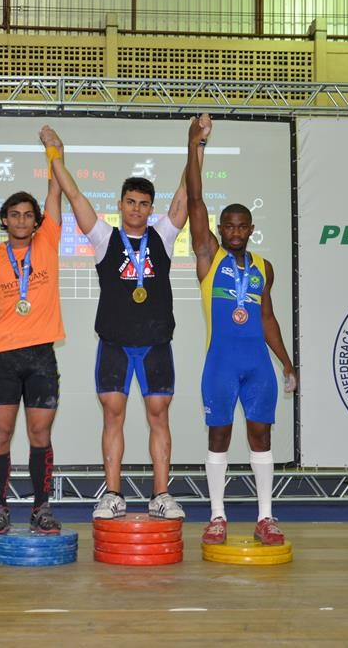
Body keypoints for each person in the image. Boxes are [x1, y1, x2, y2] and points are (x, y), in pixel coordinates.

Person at [40, 119, 208, 521]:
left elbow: (189, 191)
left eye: (143, 203)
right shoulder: (103, 238)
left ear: (151, 208)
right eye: (130, 202)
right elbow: (74, 194)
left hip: (155, 344)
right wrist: (55, 153)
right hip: (114, 343)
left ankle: (161, 494)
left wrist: (197, 144)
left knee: (158, 417)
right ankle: (112, 493)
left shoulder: (164, 235)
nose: (136, 209)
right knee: (113, 415)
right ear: (120, 204)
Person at [184, 115, 298, 546]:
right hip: (221, 364)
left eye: (240, 226)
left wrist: (286, 362)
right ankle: (217, 517)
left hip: (257, 367)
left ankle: (266, 517)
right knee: (219, 436)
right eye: (226, 226)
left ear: (250, 229)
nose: (233, 231)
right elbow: (196, 200)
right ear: (218, 230)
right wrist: (194, 145)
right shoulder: (208, 258)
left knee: (261, 436)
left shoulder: (264, 267)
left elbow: (267, 318)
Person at [0, 163, 65, 535]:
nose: (21, 220)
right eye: (14, 215)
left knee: (39, 435)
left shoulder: (48, 241)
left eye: (28, 215)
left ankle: (41, 508)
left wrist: (55, 150)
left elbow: (55, 191)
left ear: (37, 221)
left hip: (41, 357)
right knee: (0, 435)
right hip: (4, 358)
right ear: (4, 220)